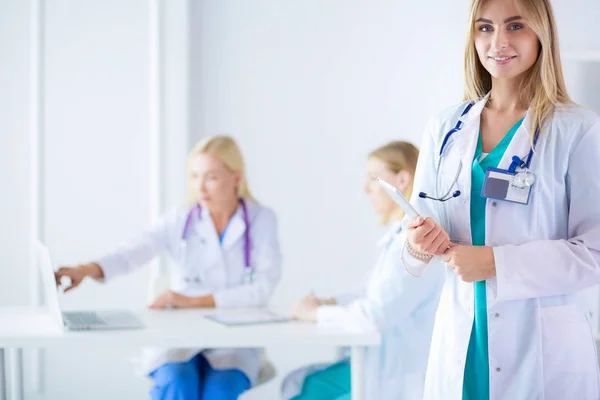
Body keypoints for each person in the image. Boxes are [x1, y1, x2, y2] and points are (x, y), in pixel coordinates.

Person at [401, 0, 600, 399]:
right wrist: (416, 245)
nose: (498, 42)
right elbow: (410, 250)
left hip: (541, 346)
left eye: (515, 26)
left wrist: (495, 262)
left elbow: (593, 252)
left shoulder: (578, 130)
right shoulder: (445, 128)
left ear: (541, 33)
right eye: (485, 28)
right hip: (463, 337)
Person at [55, 136, 282, 400]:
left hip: (234, 337)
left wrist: (191, 300)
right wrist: (86, 269)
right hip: (182, 333)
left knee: (220, 391)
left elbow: (263, 287)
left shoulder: (261, 219)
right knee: (177, 384)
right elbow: (133, 251)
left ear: (236, 177)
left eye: (211, 177)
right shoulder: (181, 218)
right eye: (195, 176)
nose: (200, 187)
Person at [283, 141, 444, 400]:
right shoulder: (396, 236)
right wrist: (330, 302)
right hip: (380, 366)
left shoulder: (416, 243)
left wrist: (316, 313)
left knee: (302, 389)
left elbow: (375, 315)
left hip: (397, 377)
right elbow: (371, 292)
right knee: (297, 384)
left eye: (373, 179)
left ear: (402, 179)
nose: (366, 189)